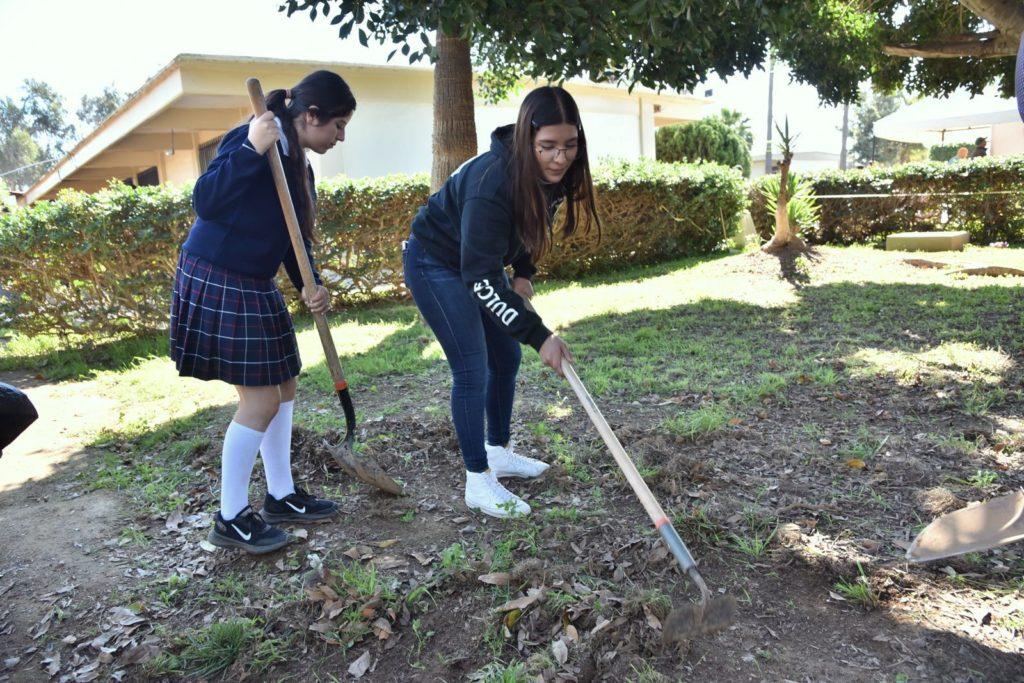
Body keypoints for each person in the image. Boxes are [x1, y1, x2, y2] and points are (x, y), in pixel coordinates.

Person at [169, 70, 355, 553]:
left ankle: (281, 494)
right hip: (218, 273)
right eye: (336, 125)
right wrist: (251, 148)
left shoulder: (299, 163)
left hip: (252, 277)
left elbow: (292, 236)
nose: (340, 136)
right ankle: (230, 517)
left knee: (285, 381)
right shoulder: (253, 136)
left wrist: (308, 285)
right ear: (309, 116)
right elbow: (205, 201)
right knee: (260, 400)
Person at [403, 86, 601, 518]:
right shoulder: (492, 181)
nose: (560, 158)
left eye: (570, 145)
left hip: (477, 263)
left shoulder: (554, 173)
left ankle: (497, 452)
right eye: (548, 147)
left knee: (505, 358)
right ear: (528, 138)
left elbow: (526, 223)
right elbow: (478, 275)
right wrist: (540, 335)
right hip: (437, 263)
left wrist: (524, 271)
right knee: (472, 366)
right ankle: (477, 480)